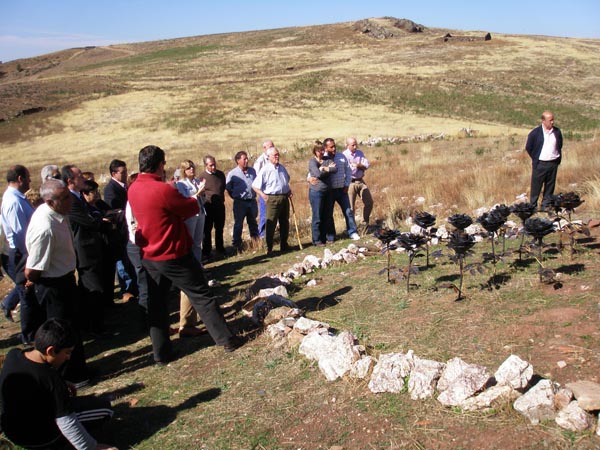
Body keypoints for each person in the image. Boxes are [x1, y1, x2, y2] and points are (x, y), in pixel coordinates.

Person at [128, 145, 244, 364]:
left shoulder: (133, 189)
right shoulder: (163, 190)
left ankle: (161, 353)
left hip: (149, 256)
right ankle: (226, 339)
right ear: (160, 164)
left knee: (157, 305)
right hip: (173, 253)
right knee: (202, 296)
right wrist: (195, 197)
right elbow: (189, 208)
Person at [0, 318, 116, 450]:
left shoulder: (14, 355)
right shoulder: (51, 379)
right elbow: (67, 422)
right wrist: (92, 447)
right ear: (50, 351)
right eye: (67, 352)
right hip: (41, 439)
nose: (68, 357)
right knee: (105, 408)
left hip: (12, 430)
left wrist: (63, 382)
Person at [25, 178, 91, 385]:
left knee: (73, 328)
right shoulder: (45, 227)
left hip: (65, 280)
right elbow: (33, 269)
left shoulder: (59, 215)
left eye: (68, 195)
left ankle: (80, 371)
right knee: (61, 332)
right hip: (53, 286)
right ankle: (70, 377)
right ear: (50, 202)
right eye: (64, 198)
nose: (70, 200)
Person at [62, 165, 114, 333]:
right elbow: (88, 221)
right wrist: (104, 223)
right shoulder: (71, 200)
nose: (84, 180)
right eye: (79, 177)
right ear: (70, 181)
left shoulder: (77, 198)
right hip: (85, 250)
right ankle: (96, 328)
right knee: (93, 288)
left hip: (91, 247)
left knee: (93, 286)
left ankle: (94, 323)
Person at [1, 165, 43, 342]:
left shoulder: (18, 198)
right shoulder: (13, 201)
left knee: (30, 294)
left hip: (24, 251)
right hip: (21, 253)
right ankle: (29, 335)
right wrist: (30, 259)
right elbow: (20, 234)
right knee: (26, 294)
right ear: (19, 179)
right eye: (27, 177)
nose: (30, 180)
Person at [175, 160, 206, 338]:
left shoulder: (195, 182)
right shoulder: (181, 184)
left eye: (193, 167)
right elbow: (186, 200)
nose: (192, 170)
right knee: (192, 242)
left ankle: (198, 262)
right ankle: (193, 263)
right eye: (188, 168)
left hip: (200, 212)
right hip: (190, 215)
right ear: (183, 171)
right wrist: (198, 192)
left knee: (198, 242)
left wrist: (199, 191)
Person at [103, 159, 136, 303]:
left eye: (126, 171)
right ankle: (126, 290)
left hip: (128, 229)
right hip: (120, 231)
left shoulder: (125, 186)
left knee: (129, 260)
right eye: (122, 172)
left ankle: (132, 287)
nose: (125, 174)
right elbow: (113, 211)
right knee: (122, 262)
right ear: (113, 173)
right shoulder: (110, 189)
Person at [252, 147, 292, 254]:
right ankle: (268, 248)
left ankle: (284, 244)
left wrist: (288, 191)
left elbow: (286, 181)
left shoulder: (282, 168)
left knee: (284, 222)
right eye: (275, 155)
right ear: (269, 157)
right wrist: (263, 195)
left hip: (284, 197)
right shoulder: (265, 169)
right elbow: (255, 186)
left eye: (278, 154)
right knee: (271, 223)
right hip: (272, 198)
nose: (277, 157)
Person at [321, 138, 360, 241]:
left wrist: (347, 185)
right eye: (331, 147)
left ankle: (352, 232)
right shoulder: (322, 158)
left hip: (342, 190)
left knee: (348, 211)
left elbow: (348, 171)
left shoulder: (341, 156)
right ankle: (331, 236)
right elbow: (313, 172)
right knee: (329, 214)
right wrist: (310, 178)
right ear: (325, 148)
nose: (334, 148)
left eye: (335, 146)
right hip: (329, 191)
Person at [526, 111, 564, 210]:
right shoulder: (535, 133)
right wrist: (536, 158)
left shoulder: (557, 132)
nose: (552, 122)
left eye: (553, 120)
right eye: (550, 120)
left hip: (553, 163)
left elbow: (560, 145)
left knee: (550, 185)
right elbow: (529, 147)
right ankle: (533, 207)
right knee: (536, 186)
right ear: (543, 120)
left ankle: (546, 205)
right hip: (540, 164)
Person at [226, 151, 259, 252]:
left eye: (247, 158)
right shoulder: (232, 174)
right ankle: (237, 245)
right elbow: (228, 188)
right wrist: (236, 197)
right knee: (239, 223)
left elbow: (257, 183)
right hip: (240, 202)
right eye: (244, 159)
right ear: (238, 160)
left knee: (253, 221)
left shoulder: (252, 171)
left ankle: (255, 242)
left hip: (252, 201)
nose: (246, 161)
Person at [308, 141, 336, 246]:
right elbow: (317, 174)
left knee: (327, 215)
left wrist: (324, 168)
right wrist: (327, 170)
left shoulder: (326, 160)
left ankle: (325, 237)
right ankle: (316, 240)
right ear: (315, 151)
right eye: (319, 150)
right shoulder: (312, 162)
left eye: (323, 150)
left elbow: (335, 169)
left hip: (328, 191)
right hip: (316, 192)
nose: (321, 152)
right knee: (317, 216)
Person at [343, 137, 374, 229]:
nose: (355, 146)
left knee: (369, 202)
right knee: (351, 208)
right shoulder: (344, 155)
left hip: (360, 180)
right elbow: (349, 170)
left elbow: (367, 165)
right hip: (350, 183)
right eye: (353, 145)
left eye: (356, 144)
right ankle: (351, 228)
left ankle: (364, 223)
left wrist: (358, 165)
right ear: (347, 145)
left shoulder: (360, 153)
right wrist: (360, 166)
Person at [200, 155, 226, 261]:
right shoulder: (202, 177)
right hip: (208, 207)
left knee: (219, 228)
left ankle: (220, 249)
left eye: (214, 164)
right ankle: (207, 251)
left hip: (220, 206)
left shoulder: (220, 175)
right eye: (211, 165)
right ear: (206, 165)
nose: (213, 167)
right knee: (207, 230)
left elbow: (223, 187)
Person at [254, 140, 274, 238]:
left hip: (273, 191)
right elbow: (256, 178)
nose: (271, 148)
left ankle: (270, 235)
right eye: (269, 147)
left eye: (272, 146)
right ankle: (262, 236)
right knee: (264, 215)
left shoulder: (274, 157)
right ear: (264, 149)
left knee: (273, 215)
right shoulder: (260, 161)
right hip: (264, 192)